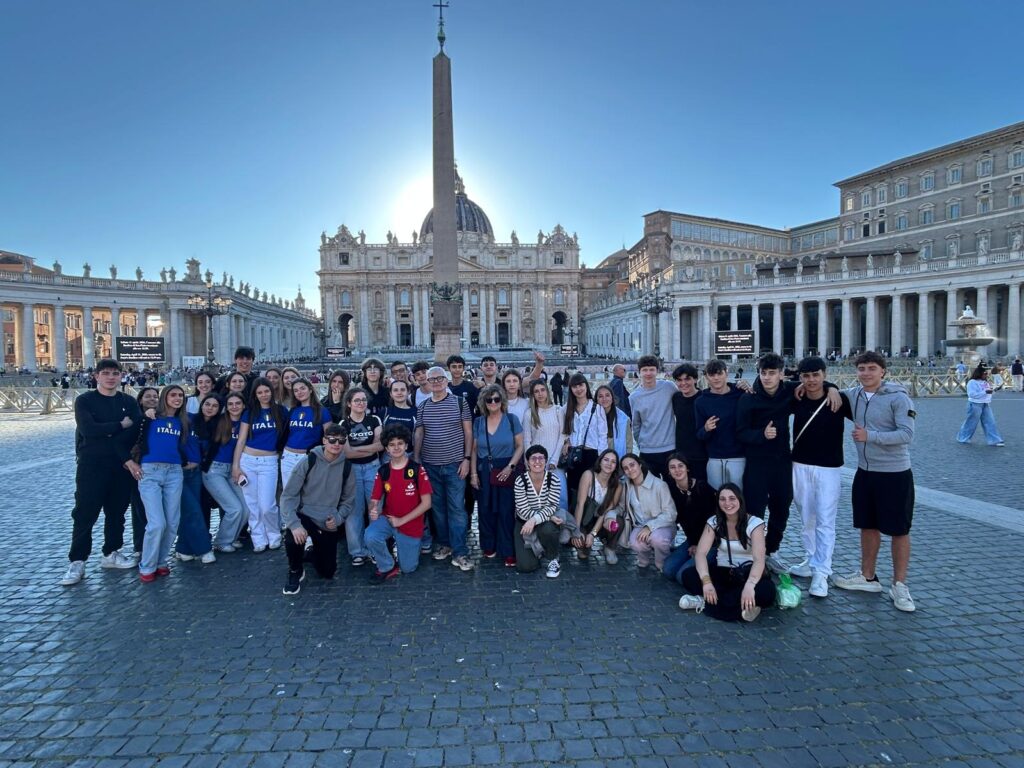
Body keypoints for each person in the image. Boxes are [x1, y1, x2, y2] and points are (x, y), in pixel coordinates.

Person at [736, 353, 839, 573]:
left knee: (781, 508)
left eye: (772, 373)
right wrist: (761, 435)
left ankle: (771, 550)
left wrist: (832, 388)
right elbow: (741, 432)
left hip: (782, 462)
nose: (767, 377)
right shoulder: (748, 397)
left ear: (782, 374)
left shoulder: (790, 391)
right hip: (756, 463)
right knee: (754, 510)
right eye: (763, 373)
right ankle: (753, 553)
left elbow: (814, 383)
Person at [833, 352, 918, 612]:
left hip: (895, 473)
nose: (866, 373)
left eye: (872, 368)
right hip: (865, 472)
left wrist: (871, 436)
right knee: (867, 526)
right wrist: (831, 389)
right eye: (861, 368)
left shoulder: (899, 397)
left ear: (883, 371)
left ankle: (900, 585)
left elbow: (907, 434)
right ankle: (868, 576)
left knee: (899, 530)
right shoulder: (855, 395)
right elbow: (828, 390)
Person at [60, 358, 142, 586]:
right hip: (91, 465)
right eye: (106, 373)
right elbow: (88, 429)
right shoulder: (85, 400)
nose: (111, 377)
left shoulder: (128, 401)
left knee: (116, 512)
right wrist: (119, 425)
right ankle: (77, 560)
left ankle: (111, 552)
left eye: (115, 373)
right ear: (96, 376)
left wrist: (106, 431)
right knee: (85, 513)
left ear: (121, 376)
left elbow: (134, 430)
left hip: (120, 465)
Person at [787, 357, 851, 598]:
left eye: (816, 375)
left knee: (825, 520)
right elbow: (769, 388)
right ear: (800, 377)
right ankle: (811, 558)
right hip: (800, 464)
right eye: (806, 376)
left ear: (824, 374)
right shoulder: (797, 396)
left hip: (828, 468)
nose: (811, 380)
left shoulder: (839, 400)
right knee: (806, 518)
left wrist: (832, 388)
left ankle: (822, 573)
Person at [679, 484, 776, 622]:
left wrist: (750, 585)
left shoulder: (755, 524)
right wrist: (707, 582)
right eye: (722, 499)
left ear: (740, 500)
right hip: (724, 572)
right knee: (688, 575)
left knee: (767, 591)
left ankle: (705, 602)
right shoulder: (714, 522)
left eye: (732, 498)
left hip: (748, 574)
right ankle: (741, 608)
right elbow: (700, 553)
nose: (727, 503)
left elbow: (759, 559)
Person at [280, 423, 356, 595]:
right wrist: (294, 524)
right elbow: (288, 496)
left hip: (327, 520)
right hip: (305, 515)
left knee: (327, 572)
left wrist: (338, 519)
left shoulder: (347, 467)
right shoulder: (309, 461)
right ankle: (295, 570)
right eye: (332, 440)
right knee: (293, 537)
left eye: (341, 441)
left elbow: (348, 501)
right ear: (324, 440)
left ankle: (311, 552)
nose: (336, 444)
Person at [415, 365, 474, 571]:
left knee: (457, 508)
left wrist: (467, 459)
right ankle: (445, 544)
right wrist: (417, 459)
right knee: (438, 509)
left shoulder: (459, 402)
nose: (436, 382)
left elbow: (468, 433)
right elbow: (419, 433)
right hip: (430, 465)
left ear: (446, 380)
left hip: (455, 465)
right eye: (432, 379)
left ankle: (460, 551)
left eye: (440, 378)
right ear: (427, 382)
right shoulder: (423, 406)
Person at [134, 385, 189, 582]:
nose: (177, 398)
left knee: (172, 522)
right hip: (150, 471)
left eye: (180, 395)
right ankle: (147, 565)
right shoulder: (150, 418)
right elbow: (131, 437)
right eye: (173, 395)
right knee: (157, 523)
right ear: (164, 397)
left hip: (174, 472)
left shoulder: (182, 421)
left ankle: (160, 561)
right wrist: (131, 462)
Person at [366, 424, 433, 582]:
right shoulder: (383, 471)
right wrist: (373, 509)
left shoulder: (417, 470)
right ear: (386, 449)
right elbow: (374, 499)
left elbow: (427, 503)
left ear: (406, 445)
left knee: (408, 568)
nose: (396, 447)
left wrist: (401, 520)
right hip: (389, 519)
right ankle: (387, 566)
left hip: (410, 524)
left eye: (400, 443)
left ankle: (407, 547)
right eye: (392, 444)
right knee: (370, 535)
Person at [470, 384, 524, 564]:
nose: (493, 402)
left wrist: (511, 466)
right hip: (485, 469)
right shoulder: (479, 422)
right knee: (485, 509)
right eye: (489, 400)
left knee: (506, 511)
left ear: (502, 400)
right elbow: (474, 449)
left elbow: (520, 446)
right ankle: (489, 545)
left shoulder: (511, 420)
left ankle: (508, 549)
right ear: (484, 402)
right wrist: (473, 474)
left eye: (496, 399)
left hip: (506, 468)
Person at [232, 377, 288, 552]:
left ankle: (274, 534)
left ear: (271, 391)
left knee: (267, 505)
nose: (264, 395)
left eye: (266, 391)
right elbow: (241, 440)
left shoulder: (281, 411)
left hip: (269, 461)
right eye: (260, 392)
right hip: (248, 460)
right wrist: (236, 466)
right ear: (255, 395)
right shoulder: (249, 413)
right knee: (252, 504)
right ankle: (258, 538)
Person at [513, 444, 576, 577]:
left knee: (548, 529)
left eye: (541, 458)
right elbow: (522, 510)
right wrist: (546, 517)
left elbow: (552, 506)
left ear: (546, 461)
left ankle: (553, 557)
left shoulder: (553, 480)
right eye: (533, 458)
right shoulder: (520, 481)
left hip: (543, 522)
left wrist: (534, 520)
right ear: (527, 462)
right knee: (526, 566)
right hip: (524, 522)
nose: (537, 461)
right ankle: (540, 550)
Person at [199, 392, 248, 553]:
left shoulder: (245, 422)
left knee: (246, 509)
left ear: (243, 405)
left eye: (238, 403)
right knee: (234, 508)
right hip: (214, 470)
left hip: (234, 469)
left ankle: (231, 538)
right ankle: (222, 541)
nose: (234, 407)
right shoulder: (218, 421)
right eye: (230, 404)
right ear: (226, 407)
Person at [340, 387, 383, 566]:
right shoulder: (343, 424)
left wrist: (356, 449)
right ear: (349, 403)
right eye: (357, 400)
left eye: (364, 400)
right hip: (353, 470)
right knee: (354, 512)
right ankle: (357, 551)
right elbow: (347, 453)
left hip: (373, 467)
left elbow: (380, 446)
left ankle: (375, 549)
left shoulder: (374, 419)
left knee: (375, 508)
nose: (361, 403)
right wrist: (369, 449)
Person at [175, 394, 218, 565]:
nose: (210, 408)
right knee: (193, 510)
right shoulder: (186, 419)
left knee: (190, 510)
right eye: (207, 404)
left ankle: (183, 548)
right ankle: (204, 549)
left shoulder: (211, 426)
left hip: (196, 473)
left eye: (214, 406)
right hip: (179, 473)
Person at [660, 454, 717, 583]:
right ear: (668, 471)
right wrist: (692, 543)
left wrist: (699, 545)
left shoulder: (702, 488)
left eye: (680, 466)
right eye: (673, 467)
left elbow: (713, 522)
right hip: (693, 540)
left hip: (712, 542)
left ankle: (712, 565)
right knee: (668, 570)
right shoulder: (672, 491)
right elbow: (684, 522)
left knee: (682, 576)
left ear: (687, 468)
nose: (677, 470)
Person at [616, 454, 677, 570]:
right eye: (626, 468)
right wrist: (609, 515)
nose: (630, 470)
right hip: (640, 525)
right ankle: (643, 561)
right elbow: (621, 508)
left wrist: (649, 527)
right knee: (635, 542)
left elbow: (671, 513)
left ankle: (662, 563)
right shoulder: (626, 486)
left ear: (640, 464)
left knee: (658, 539)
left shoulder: (659, 485)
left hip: (663, 525)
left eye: (632, 465)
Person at [694, 360, 747, 489]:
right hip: (714, 458)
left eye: (719, 374)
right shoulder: (700, 402)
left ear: (726, 373)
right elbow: (699, 434)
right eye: (712, 375)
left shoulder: (741, 394)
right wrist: (706, 428)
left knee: (739, 496)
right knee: (715, 496)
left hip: (739, 457)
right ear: (706, 377)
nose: (716, 378)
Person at [560, 373, 608, 512]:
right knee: (573, 488)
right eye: (575, 386)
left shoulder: (597, 408)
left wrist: (602, 458)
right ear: (571, 389)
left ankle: (588, 520)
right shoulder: (566, 409)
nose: (578, 389)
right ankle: (573, 519)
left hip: (592, 454)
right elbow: (563, 431)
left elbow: (602, 435)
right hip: (574, 455)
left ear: (586, 386)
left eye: (581, 385)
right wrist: (566, 442)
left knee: (590, 490)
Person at [628, 355, 677, 480]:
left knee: (672, 486)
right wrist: (641, 443)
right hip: (647, 451)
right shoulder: (634, 397)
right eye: (645, 370)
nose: (648, 373)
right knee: (648, 487)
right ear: (639, 372)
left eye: (651, 369)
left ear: (657, 371)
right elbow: (636, 424)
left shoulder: (669, 387)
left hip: (670, 448)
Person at [522, 379, 567, 512]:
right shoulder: (529, 414)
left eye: (542, 390)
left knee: (561, 498)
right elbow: (527, 441)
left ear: (547, 391)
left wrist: (554, 460)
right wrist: (529, 463)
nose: (540, 394)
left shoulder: (558, 410)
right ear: (533, 395)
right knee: (539, 501)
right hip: (536, 463)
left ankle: (562, 524)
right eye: (536, 391)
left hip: (555, 463)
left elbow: (562, 436)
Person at [571, 449, 623, 562]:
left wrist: (593, 534)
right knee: (583, 555)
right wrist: (576, 530)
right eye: (606, 460)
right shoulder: (588, 475)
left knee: (618, 521)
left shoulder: (617, 485)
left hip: (601, 521)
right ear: (600, 461)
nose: (609, 464)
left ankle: (610, 547)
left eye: (613, 462)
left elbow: (605, 512)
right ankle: (579, 538)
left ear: (616, 466)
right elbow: (580, 505)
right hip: (584, 520)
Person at [281, 378, 332, 487]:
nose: (299, 392)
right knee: (289, 491)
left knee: (309, 491)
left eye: (302, 388)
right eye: (295, 390)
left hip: (309, 456)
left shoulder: (322, 411)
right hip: (288, 457)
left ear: (310, 390)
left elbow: (329, 437)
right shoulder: (293, 410)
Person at [670, 364, 709, 483]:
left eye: (687, 379)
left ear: (695, 379)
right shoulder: (676, 398)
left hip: (702, 454)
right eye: (679, 380)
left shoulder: (704, 398)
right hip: (681, 453)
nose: (683, 383)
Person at [956, 364, 1004, 447]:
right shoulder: (972, 382)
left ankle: (994, 440)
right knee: (971, 423)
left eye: (986, 374)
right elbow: (972, 394)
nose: (986, 375)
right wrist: (985, 392)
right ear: (979, 374)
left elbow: (988, 392)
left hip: (985, 404)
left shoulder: (985, 382)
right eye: (985, 374)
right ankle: (962, 438)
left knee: (990, 422)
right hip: (975, 404)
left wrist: (995, 390)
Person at [595, 384, 632, 459]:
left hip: (617, 460)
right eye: (600, 396)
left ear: (612, 398)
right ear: (596, 400)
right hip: (596, 459)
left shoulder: (623, 419)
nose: (604, 399)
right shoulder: (591, 417)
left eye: (607, 395)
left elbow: (628, 445)